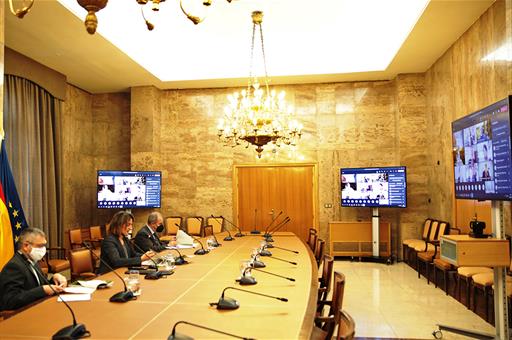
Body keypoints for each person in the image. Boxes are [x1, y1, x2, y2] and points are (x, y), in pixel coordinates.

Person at [0, 228, 67, 311]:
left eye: (44, 245)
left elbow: (40, 285)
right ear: (26, 246)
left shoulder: (31, 261)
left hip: (38, 308)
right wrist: (42, 290)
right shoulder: (14, 266)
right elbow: (10, 301)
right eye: (40, 246)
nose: (43, 250)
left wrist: (54, 279)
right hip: (22, 314)